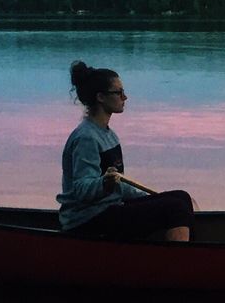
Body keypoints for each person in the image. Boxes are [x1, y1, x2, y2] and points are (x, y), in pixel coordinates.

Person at [58, 61, 195, 241]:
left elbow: (119, 185)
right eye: (119, 93)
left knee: (181, 197)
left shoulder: (109, 135)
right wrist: (104, 183)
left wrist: (152, 198)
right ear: (100, 97)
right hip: (87, 218)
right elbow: (82, 189)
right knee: (174, 208)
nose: (125, 97)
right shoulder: (86, 138)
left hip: (110, 207)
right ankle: (179, 262)